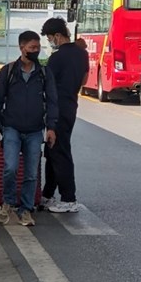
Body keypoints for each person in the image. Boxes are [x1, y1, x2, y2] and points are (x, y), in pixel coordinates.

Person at [0, 31, 58, 227]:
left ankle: (26, 209)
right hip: (11, 128)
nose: (36, 51)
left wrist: (51, 128)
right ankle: (8, 203)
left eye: (38, 48)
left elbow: (53, 101)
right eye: (32, 48)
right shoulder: (8, 71)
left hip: (35, 131)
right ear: (22, 48)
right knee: (10, 168)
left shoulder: (44, 73)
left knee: (31, 174)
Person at [40, 18, 88, 214]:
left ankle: (69, 198)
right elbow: (84, 79)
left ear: (58, 36)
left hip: (56, 109)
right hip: (70, 105)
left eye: (50, 38)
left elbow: (47, 85)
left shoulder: (57, 58)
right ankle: (47, 194)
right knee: (52, 151)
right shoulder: (82, 54)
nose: (50, 42)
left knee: (59, 152)